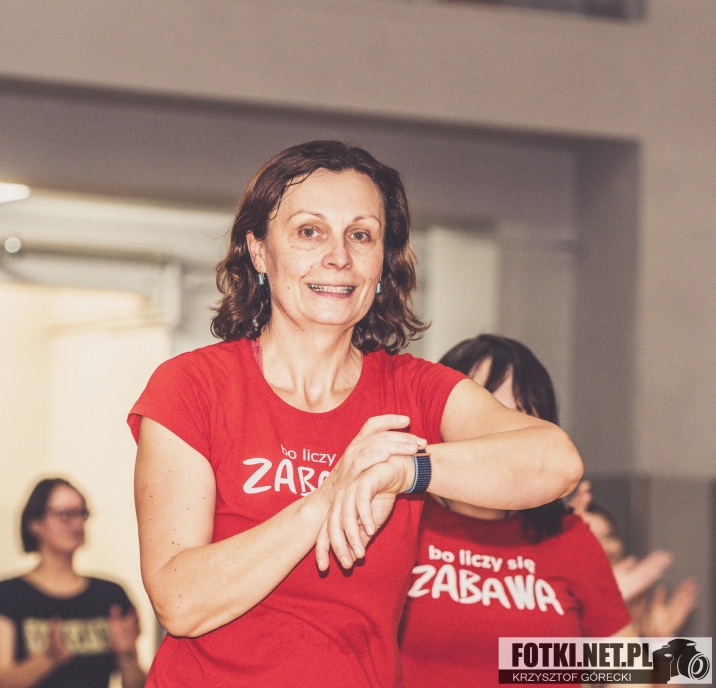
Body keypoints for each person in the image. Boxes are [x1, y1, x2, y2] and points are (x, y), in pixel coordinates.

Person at [129, 141, 583, 687]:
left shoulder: (414, 391)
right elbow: (179, 602)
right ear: (258, 250)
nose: (339, 256)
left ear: (383, 262)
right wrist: (328, 497)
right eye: (310, 231)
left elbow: (556, 462)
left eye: (361, 235)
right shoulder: (192, 386)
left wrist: (403, 470)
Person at [398, 334, 632, 688]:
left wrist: (659, 640)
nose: (503, 437)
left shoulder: (568, 535)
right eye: (487, 412)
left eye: (520, 418)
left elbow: (634, 671)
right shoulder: (400, 516)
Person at [0, 478, 146, 688]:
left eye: (81, 514)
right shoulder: (5, 596)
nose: (76, 524)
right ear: (35, 523)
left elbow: (137, 685)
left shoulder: (110, 595)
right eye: (65, 515)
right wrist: (48, 658)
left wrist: (126, 656)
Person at [568, 481, 699, 637]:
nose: (607, 548)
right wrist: (603, 601)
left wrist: (661, 639)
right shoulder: (562, 607)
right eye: (592, 539)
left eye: (609, 536)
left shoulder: (637, 604)